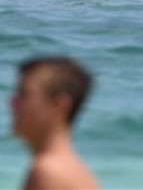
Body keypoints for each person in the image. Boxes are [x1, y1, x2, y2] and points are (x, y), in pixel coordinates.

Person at [11, 56, 100, 190]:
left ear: (59, 105)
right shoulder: (75, 169)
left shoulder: (48, 172)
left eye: (24, 94)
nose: (13, 102)